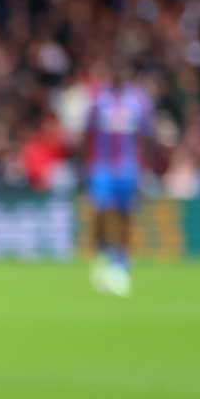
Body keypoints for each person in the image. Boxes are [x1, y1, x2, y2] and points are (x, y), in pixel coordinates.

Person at [81, 58, 155, 297]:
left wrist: (146, 168)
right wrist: (85, 164)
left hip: (128, 168)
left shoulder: (139, 102)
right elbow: (87, 133)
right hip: (102, 167)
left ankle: (121, 264)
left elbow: (146, 137)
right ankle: (106, 258)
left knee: (124, 215)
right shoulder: (98, 101)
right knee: (103, 212)